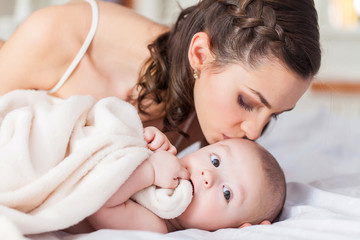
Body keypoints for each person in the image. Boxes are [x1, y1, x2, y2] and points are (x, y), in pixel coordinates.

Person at [0, 0, 321, 152]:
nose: (253, 132)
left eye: (273, 116)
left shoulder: (210, 120)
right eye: (246, 101)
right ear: (200, 54)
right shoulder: (55, 37)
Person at [66, 126, 286, 234]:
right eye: (215, 160)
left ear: (232, 229)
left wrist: (150, 170)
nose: (208, 175)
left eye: (227, 193)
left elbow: (101, 202)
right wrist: (144, 140)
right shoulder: (168, 161)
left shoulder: (157, 226)